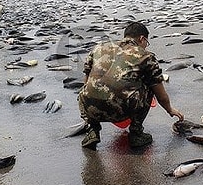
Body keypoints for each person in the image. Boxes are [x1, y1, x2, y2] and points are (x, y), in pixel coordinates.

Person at [78, 21, 184, 150]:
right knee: (150, 85)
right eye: (146, 43)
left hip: (90, 108)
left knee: (89, 89)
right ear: (142, 38)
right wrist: (170, 109)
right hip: (121, 109)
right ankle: (136, 133)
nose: (145, 46)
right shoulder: (146, 56)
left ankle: (92, 130)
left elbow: (86, 81)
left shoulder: (98, 48)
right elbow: (160, 93)